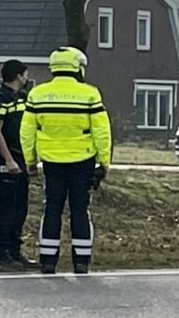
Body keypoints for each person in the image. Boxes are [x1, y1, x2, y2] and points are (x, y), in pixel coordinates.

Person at [21, 46, 112, 274]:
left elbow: (27, 131)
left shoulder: (37, 95)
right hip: (83, 160)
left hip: (51, 161)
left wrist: (30, 161)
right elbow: (102, 131)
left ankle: (48, 261)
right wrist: (104, 162)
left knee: (52, 208)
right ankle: (81, 262)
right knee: (80, 210)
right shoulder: (90, 94)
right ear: (77, 68)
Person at [0, 59, 34, 269]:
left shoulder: (21, 97)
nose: (27, 78)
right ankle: (2, 252)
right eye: (25, 74)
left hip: (21, 157)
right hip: (8, 159)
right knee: (5, 206)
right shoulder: (0, 97)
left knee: (20, 206)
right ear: (18, 76)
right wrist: (8, 159)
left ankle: (15, 250)